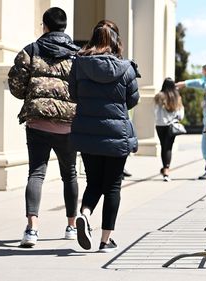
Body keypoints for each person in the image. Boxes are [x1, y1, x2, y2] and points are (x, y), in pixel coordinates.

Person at [8, 7, 80, 248]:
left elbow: (16, 86)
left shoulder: (31, 50)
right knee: (69, 174)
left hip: (37, 121)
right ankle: (71, 225)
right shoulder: (77, 55)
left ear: (45, 26)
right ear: (65, 27)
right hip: (69, 124)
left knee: (36, 173)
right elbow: (83, 89)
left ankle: (32, 229)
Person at [69, 20, 140, 253]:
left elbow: (73, 93)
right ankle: (105, 240)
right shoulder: (126, 68)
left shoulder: (79, 65)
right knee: (112, 187)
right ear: (115, 41)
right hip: (116, 133)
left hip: (88, 131)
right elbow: (132, 100)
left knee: (93, 181)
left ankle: (85, 214)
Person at [154, 78, 185, 182]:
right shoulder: (177, 97)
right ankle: (166, 170)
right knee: (169, 148)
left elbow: (155, 111)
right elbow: (180, 114)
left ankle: (165, 169)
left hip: (160, 125)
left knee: (163, 146)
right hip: (172, 125)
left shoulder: (159, 96)